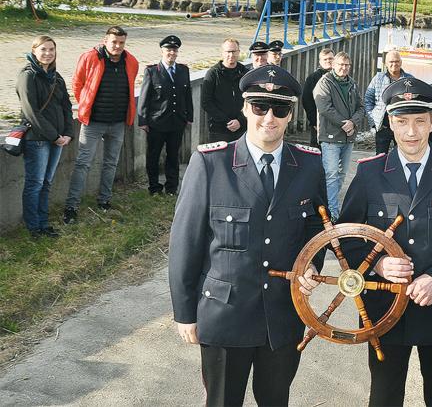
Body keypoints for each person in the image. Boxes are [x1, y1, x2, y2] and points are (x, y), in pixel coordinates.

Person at [168, 64, 325, 407]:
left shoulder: (310, 164)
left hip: (283, 316)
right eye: (260, 107)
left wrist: (311, 265)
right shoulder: (211, 163)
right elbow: (185, 243)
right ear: (245, 108)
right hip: (225, 315)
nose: (269, 117)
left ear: (290, 114)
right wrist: (185, 313)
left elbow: (316, 226)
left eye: (280, 109)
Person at [338, 77, 432, 407]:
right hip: (382, 309)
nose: (411, 132)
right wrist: (376, 263)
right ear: (389, 122)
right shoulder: (369, 173)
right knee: (384, 396)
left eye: (420, 121)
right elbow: (346, 237)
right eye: (402, 121)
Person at [64, 26, 139, 224]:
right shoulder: (89, 57)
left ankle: (104, 201)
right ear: (105, 40)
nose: (117, 46)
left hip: (117, 123)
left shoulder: (131, 61)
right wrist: (84, 106)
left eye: (121, 42)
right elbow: (77, 83)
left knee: (111, 163)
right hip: (93, 123)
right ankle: (71, 206)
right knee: (83, 164)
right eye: (114, 42)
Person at [15, 36, 73, 238]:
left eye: (51, 49)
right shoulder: (27, 76)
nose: (48, 53)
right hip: (37, 139)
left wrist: (68, 133)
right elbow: (31, 112)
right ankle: (33, 228)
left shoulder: (57, 78)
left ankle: (43, 223)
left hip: (57, 139)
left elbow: (66, 106)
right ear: (34, 51)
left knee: (46, 183)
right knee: (35, 184)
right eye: (43, 49)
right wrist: (54, 135)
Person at [137, 35, 193, 196]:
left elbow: (187, 95)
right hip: (157, 122)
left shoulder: (183, 70)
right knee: (153, 156)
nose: (172, 53)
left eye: (175, 50)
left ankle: (171, 187)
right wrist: (143, 120)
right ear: (162, 51)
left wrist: (189, 117)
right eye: (169, 50)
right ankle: (154, 187)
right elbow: (144, 97)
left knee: (173, 156)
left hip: (177, 122)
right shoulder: (152, 71)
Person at [313, 51, 364, 219]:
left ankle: (328, 205)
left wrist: (353, 123)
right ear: (333, 65)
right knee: (331, 174)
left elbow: (361, 107)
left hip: (348, 137)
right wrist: (345, 123)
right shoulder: (325, 82)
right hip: (331, 137)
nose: (343, 68)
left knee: (341, 175)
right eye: (340, 64)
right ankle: (332, 212)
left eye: (346, 65)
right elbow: (325, 108)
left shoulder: (352, 84)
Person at [201, 38, 250, 143]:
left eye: (234, 51)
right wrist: (227, 121)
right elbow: (206, 102)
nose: (231, 55)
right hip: (219, 130)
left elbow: (250, 100)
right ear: (222, 53)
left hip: (242, 128)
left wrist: (240, 121)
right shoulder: (213, 74)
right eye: (228, 52)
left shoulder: (245, 73)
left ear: (239, 52)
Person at [365, 50, 413, 154]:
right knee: (380, 157)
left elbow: (416, 101)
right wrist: (373, 121)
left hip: (402, 126)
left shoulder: (410, 79)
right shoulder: (378, 78)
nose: (394, 64)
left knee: (402, 156)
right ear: (386, 63)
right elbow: (368, 100)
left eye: (397, 61)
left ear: (401, 62)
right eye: (391, 61)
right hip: (383, 126)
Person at [301, 48, 334, 146]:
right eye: (325, 59)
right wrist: (314, 121)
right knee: (317, 151)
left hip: (336, 123)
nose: (328, 61)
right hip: (319, 121)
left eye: (330, 58)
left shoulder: (340, 77)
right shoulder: (313, 78)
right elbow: (307, 100)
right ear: (320, 61)